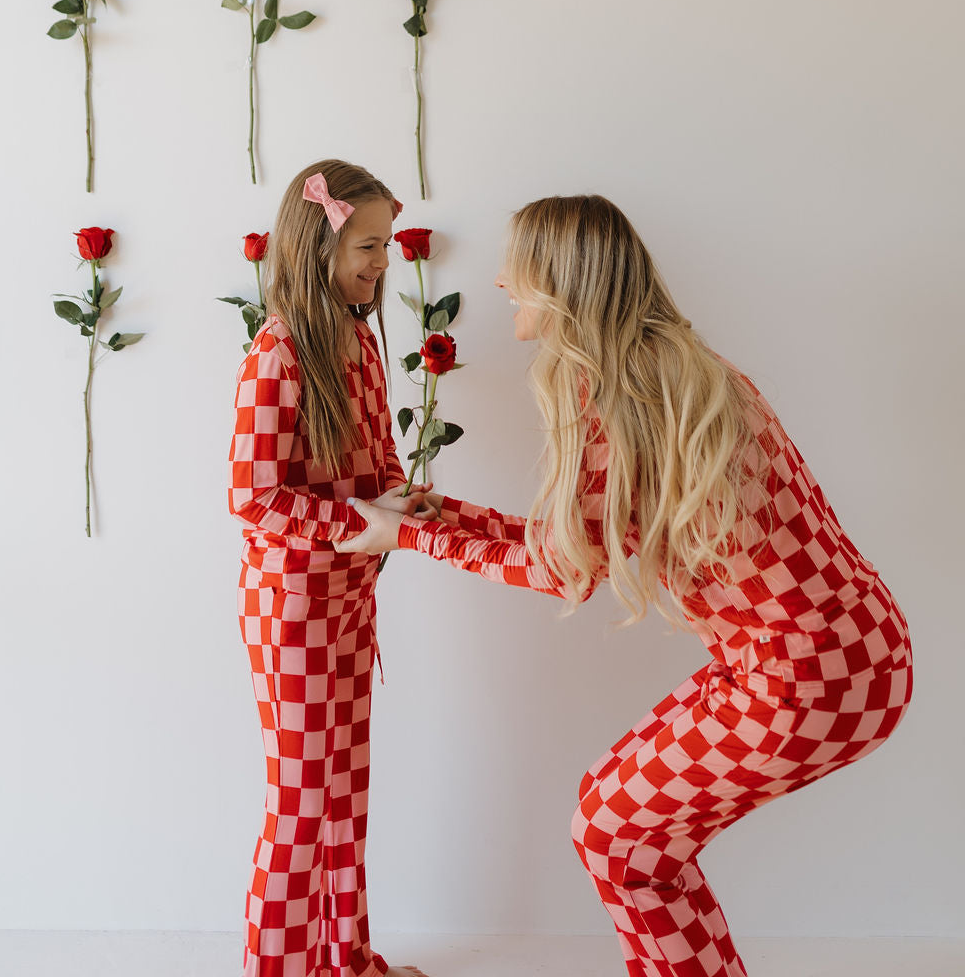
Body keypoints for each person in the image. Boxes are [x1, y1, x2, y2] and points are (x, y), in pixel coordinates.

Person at [337, 194, 913, 977]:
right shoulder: (670, 369)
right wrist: (451, 514)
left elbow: (558, 570)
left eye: (519, 265)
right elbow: (580, 543)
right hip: (847, 651)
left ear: (562, 281)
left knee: (619, 835)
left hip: (800, 674)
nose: (501, 280)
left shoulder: (609, 394)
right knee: (616, 826)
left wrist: (406, 533)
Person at [229, 159, 434, 977]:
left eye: (387, 244)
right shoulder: (276, 353)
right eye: (369, 246)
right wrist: (363, 519)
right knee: (302, 809)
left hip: (348, 600)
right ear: (319, 244)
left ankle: (343, 962)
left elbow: (376, 455)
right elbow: (252, 500)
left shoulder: (355, 339)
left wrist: (397, 496)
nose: (384, 263)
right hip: (292, 611)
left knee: (344, 802)